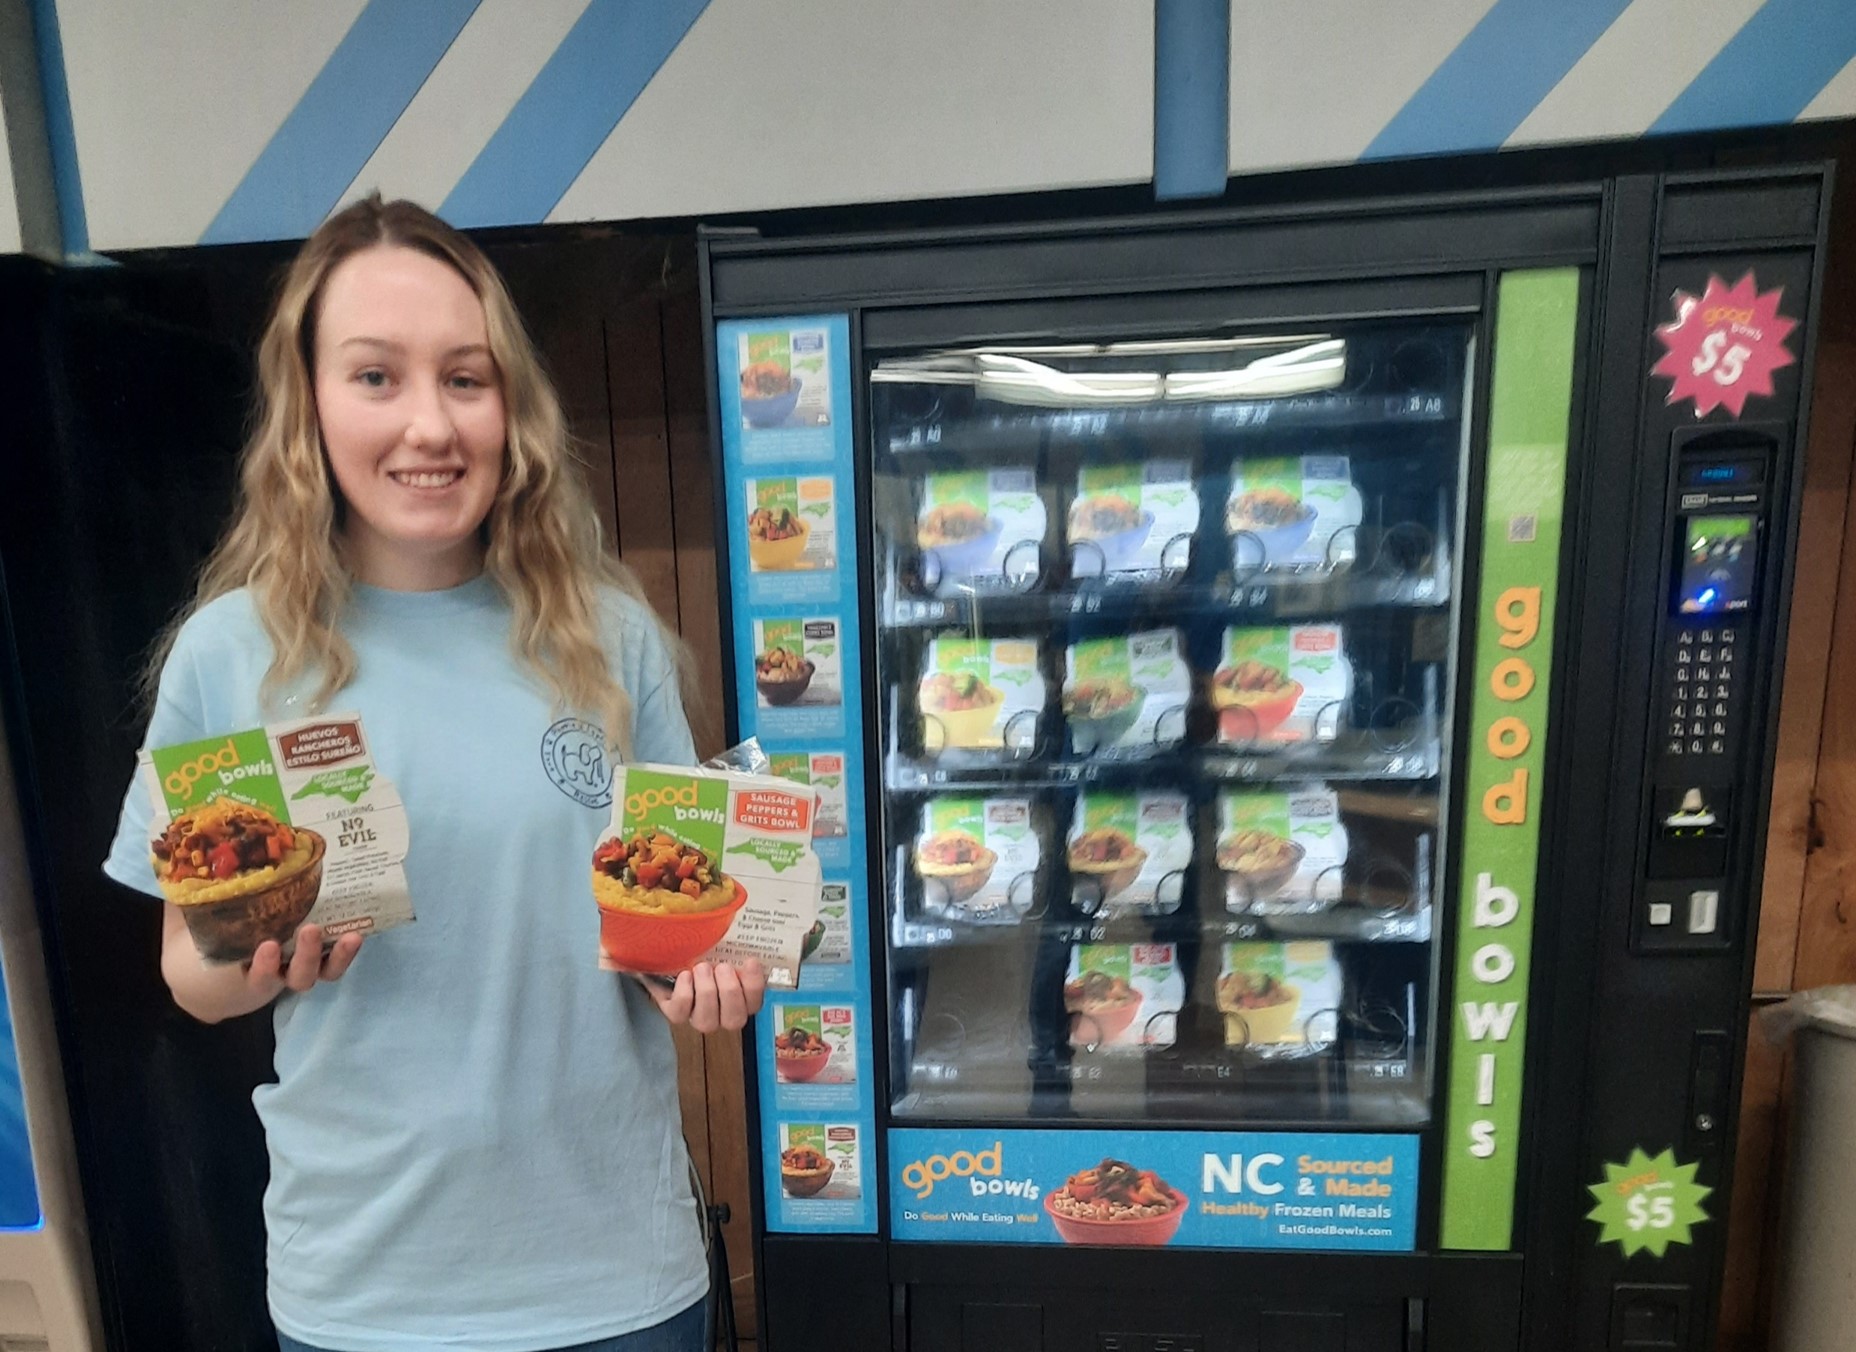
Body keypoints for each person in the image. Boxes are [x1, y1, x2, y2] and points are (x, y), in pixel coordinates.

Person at [103, 195, 764, 1352]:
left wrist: (711, 972)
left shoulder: (607, 636)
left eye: (466, 377)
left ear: (514, 406)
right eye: (375, 376)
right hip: (366, 1287)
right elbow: (191, 973)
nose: (429, 424)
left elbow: (675, 915)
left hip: (615, 1276)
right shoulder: (234, 653)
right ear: (306, 404)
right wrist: (257, 959)